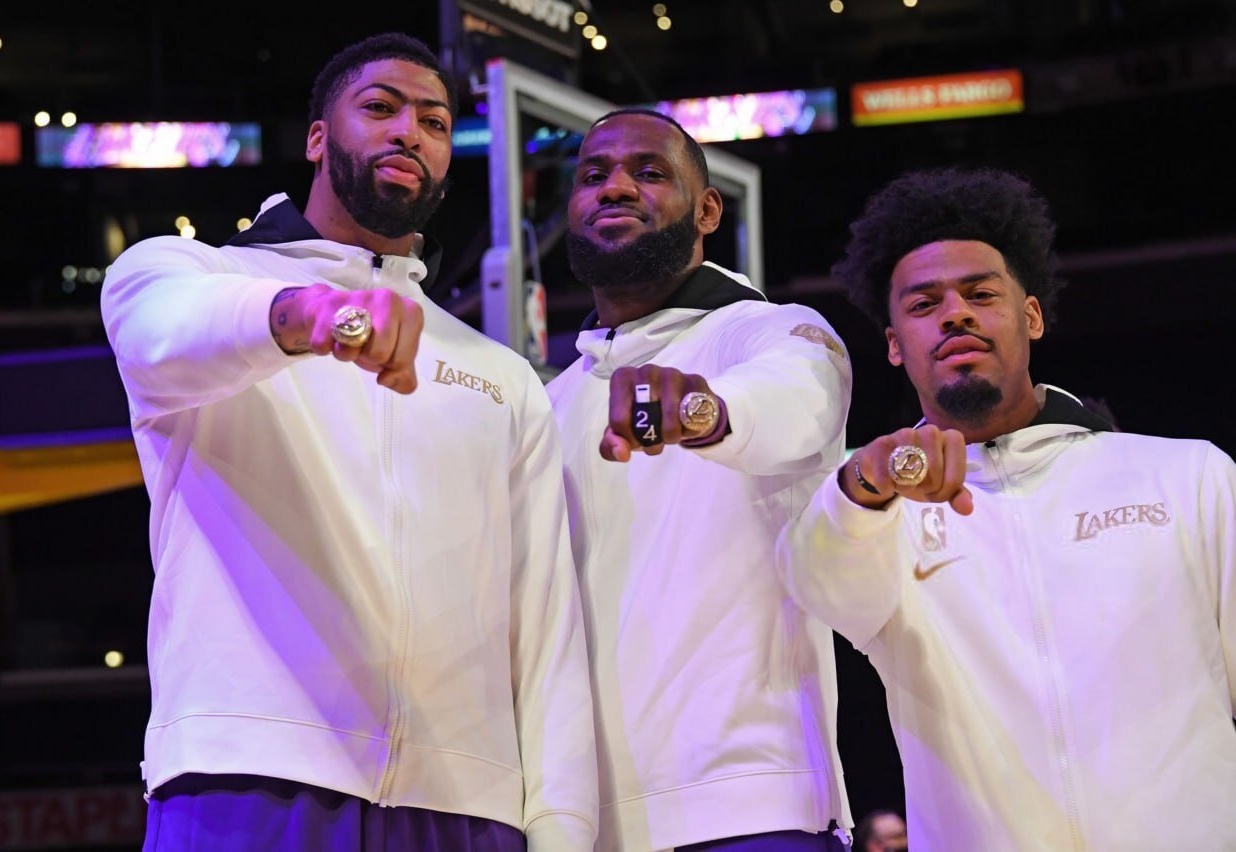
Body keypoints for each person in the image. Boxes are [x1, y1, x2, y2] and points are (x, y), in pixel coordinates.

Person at [101, 33, 596, 850]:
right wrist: (308, 315)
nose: (409, 132)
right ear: (317, 138)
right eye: (380, 107)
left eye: (435, 122)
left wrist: (561, 829)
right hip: (251, 773)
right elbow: (163, 333)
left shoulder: (502, 376)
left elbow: (545, 627)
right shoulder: (192, 277)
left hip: (466, 803)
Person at [777, 167, 1236, 849]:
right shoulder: (877, 518)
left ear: (1032, 317)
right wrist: (867, 484)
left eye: (981, 294)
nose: (955, 314)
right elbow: (816, 580)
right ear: (895, 345)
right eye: (925, 304)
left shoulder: (1187, 476)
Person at [547, 109, 853, 851]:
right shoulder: (553, 400)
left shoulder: (771, 332)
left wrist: (703, 411)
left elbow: (796, 402)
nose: (615, 187)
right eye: (593, 175)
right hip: (587, 822)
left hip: (751, 808)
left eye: (648, 172)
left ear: (709, 210)